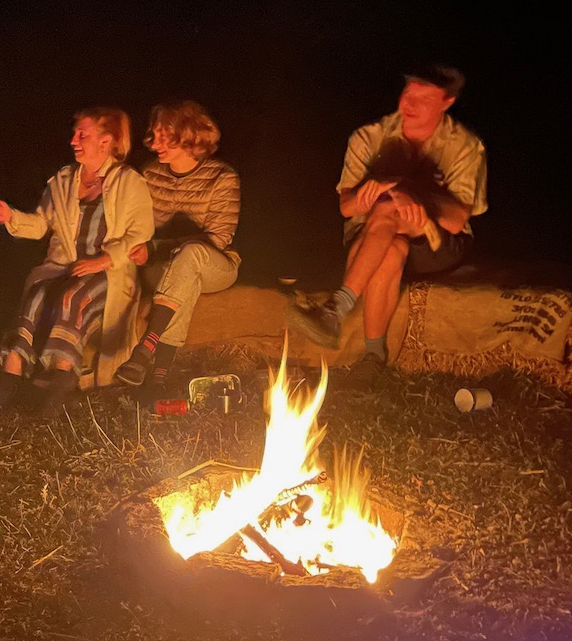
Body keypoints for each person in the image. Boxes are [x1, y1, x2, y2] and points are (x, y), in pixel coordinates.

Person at [286, 64, 488, 385]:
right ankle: (373, 356)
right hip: (373, 237)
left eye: (423, 98)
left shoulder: (463, 145)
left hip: (436, 242)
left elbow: (457, 218)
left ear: (446, 102)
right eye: (408, 93)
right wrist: (388, 191)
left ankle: (336, 309)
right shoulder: (370, 137)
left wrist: (409, 194)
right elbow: (347, 206)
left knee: (387, 211)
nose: (410, 104)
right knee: (391, 244)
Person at [0, 106, 154, 414]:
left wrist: (102, 260)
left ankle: (61, 379)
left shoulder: (129, 182)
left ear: (106, 141)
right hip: (65, 266)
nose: (73, 139)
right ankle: (10, 376)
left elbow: (139, 233)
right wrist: (13, 218)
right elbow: (41, 225)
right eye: (75, 133)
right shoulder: (63, 181)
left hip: (109, 273)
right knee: (36, 293)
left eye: (82, 134)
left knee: (73, 297)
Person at [114, 100, 241, 400]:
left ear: (190, 135)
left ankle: (147, 345)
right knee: (185, 278)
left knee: (192, 255)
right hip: (163, 268)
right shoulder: (150, 175)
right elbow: (139, 227)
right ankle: (157, 378)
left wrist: (159, 246)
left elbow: (219, 238)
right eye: (154, 134)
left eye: (164, 135)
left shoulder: (222, 178)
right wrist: (144, 247)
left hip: (217, 265)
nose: (154, 143)